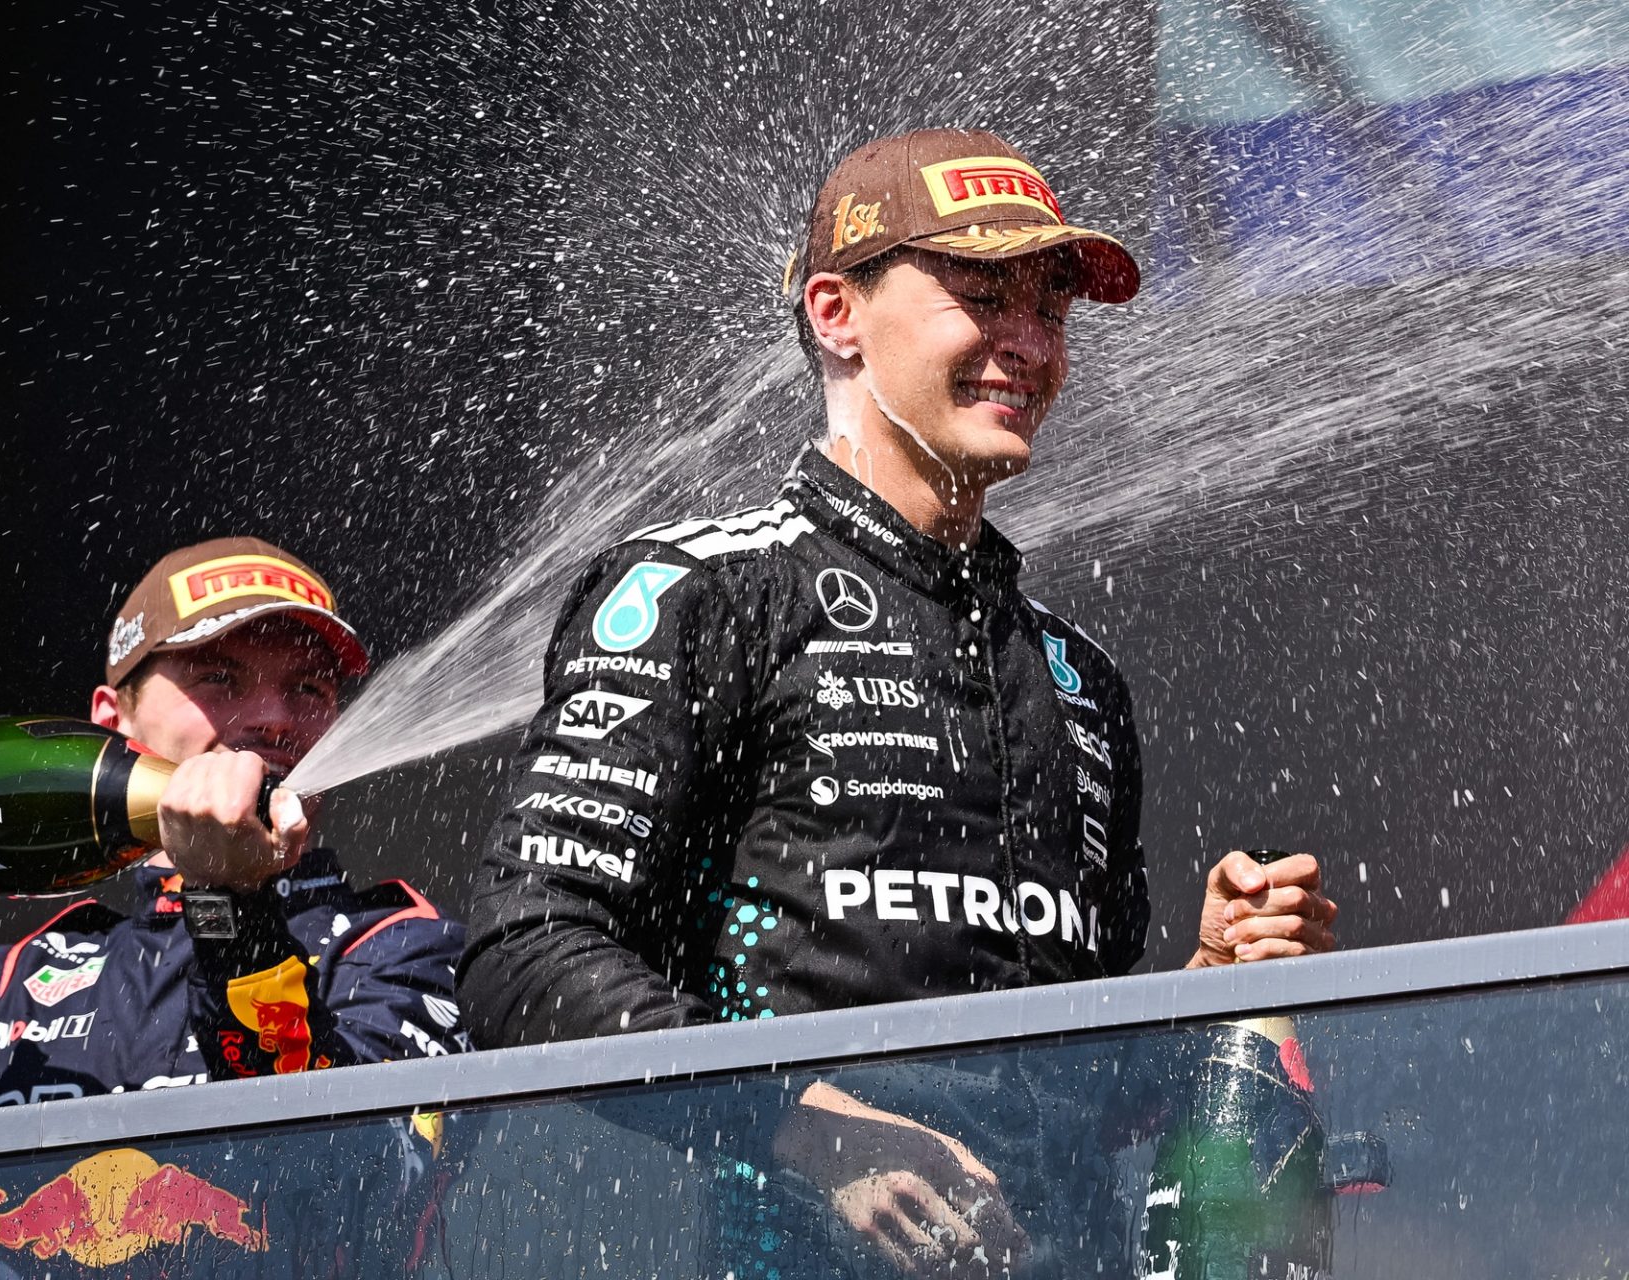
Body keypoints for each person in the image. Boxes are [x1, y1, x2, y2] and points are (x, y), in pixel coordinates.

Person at [457, 129, 1340, 1274]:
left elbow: (1077, 1086)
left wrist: (1208, 982)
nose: (1027, 344)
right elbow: (522, 947)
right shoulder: (704, 593)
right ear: (837, 312)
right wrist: (805, 1124)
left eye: (1052, 310)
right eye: (982, 296)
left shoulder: (1076, 678)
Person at [0, 536, 466, 1137]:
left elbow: (335, 1185)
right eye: (220, 679)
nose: (275, 716)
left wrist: (229, 903)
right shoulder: (2, 986)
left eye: (309, 689)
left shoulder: (395, 946)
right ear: (111, 722)